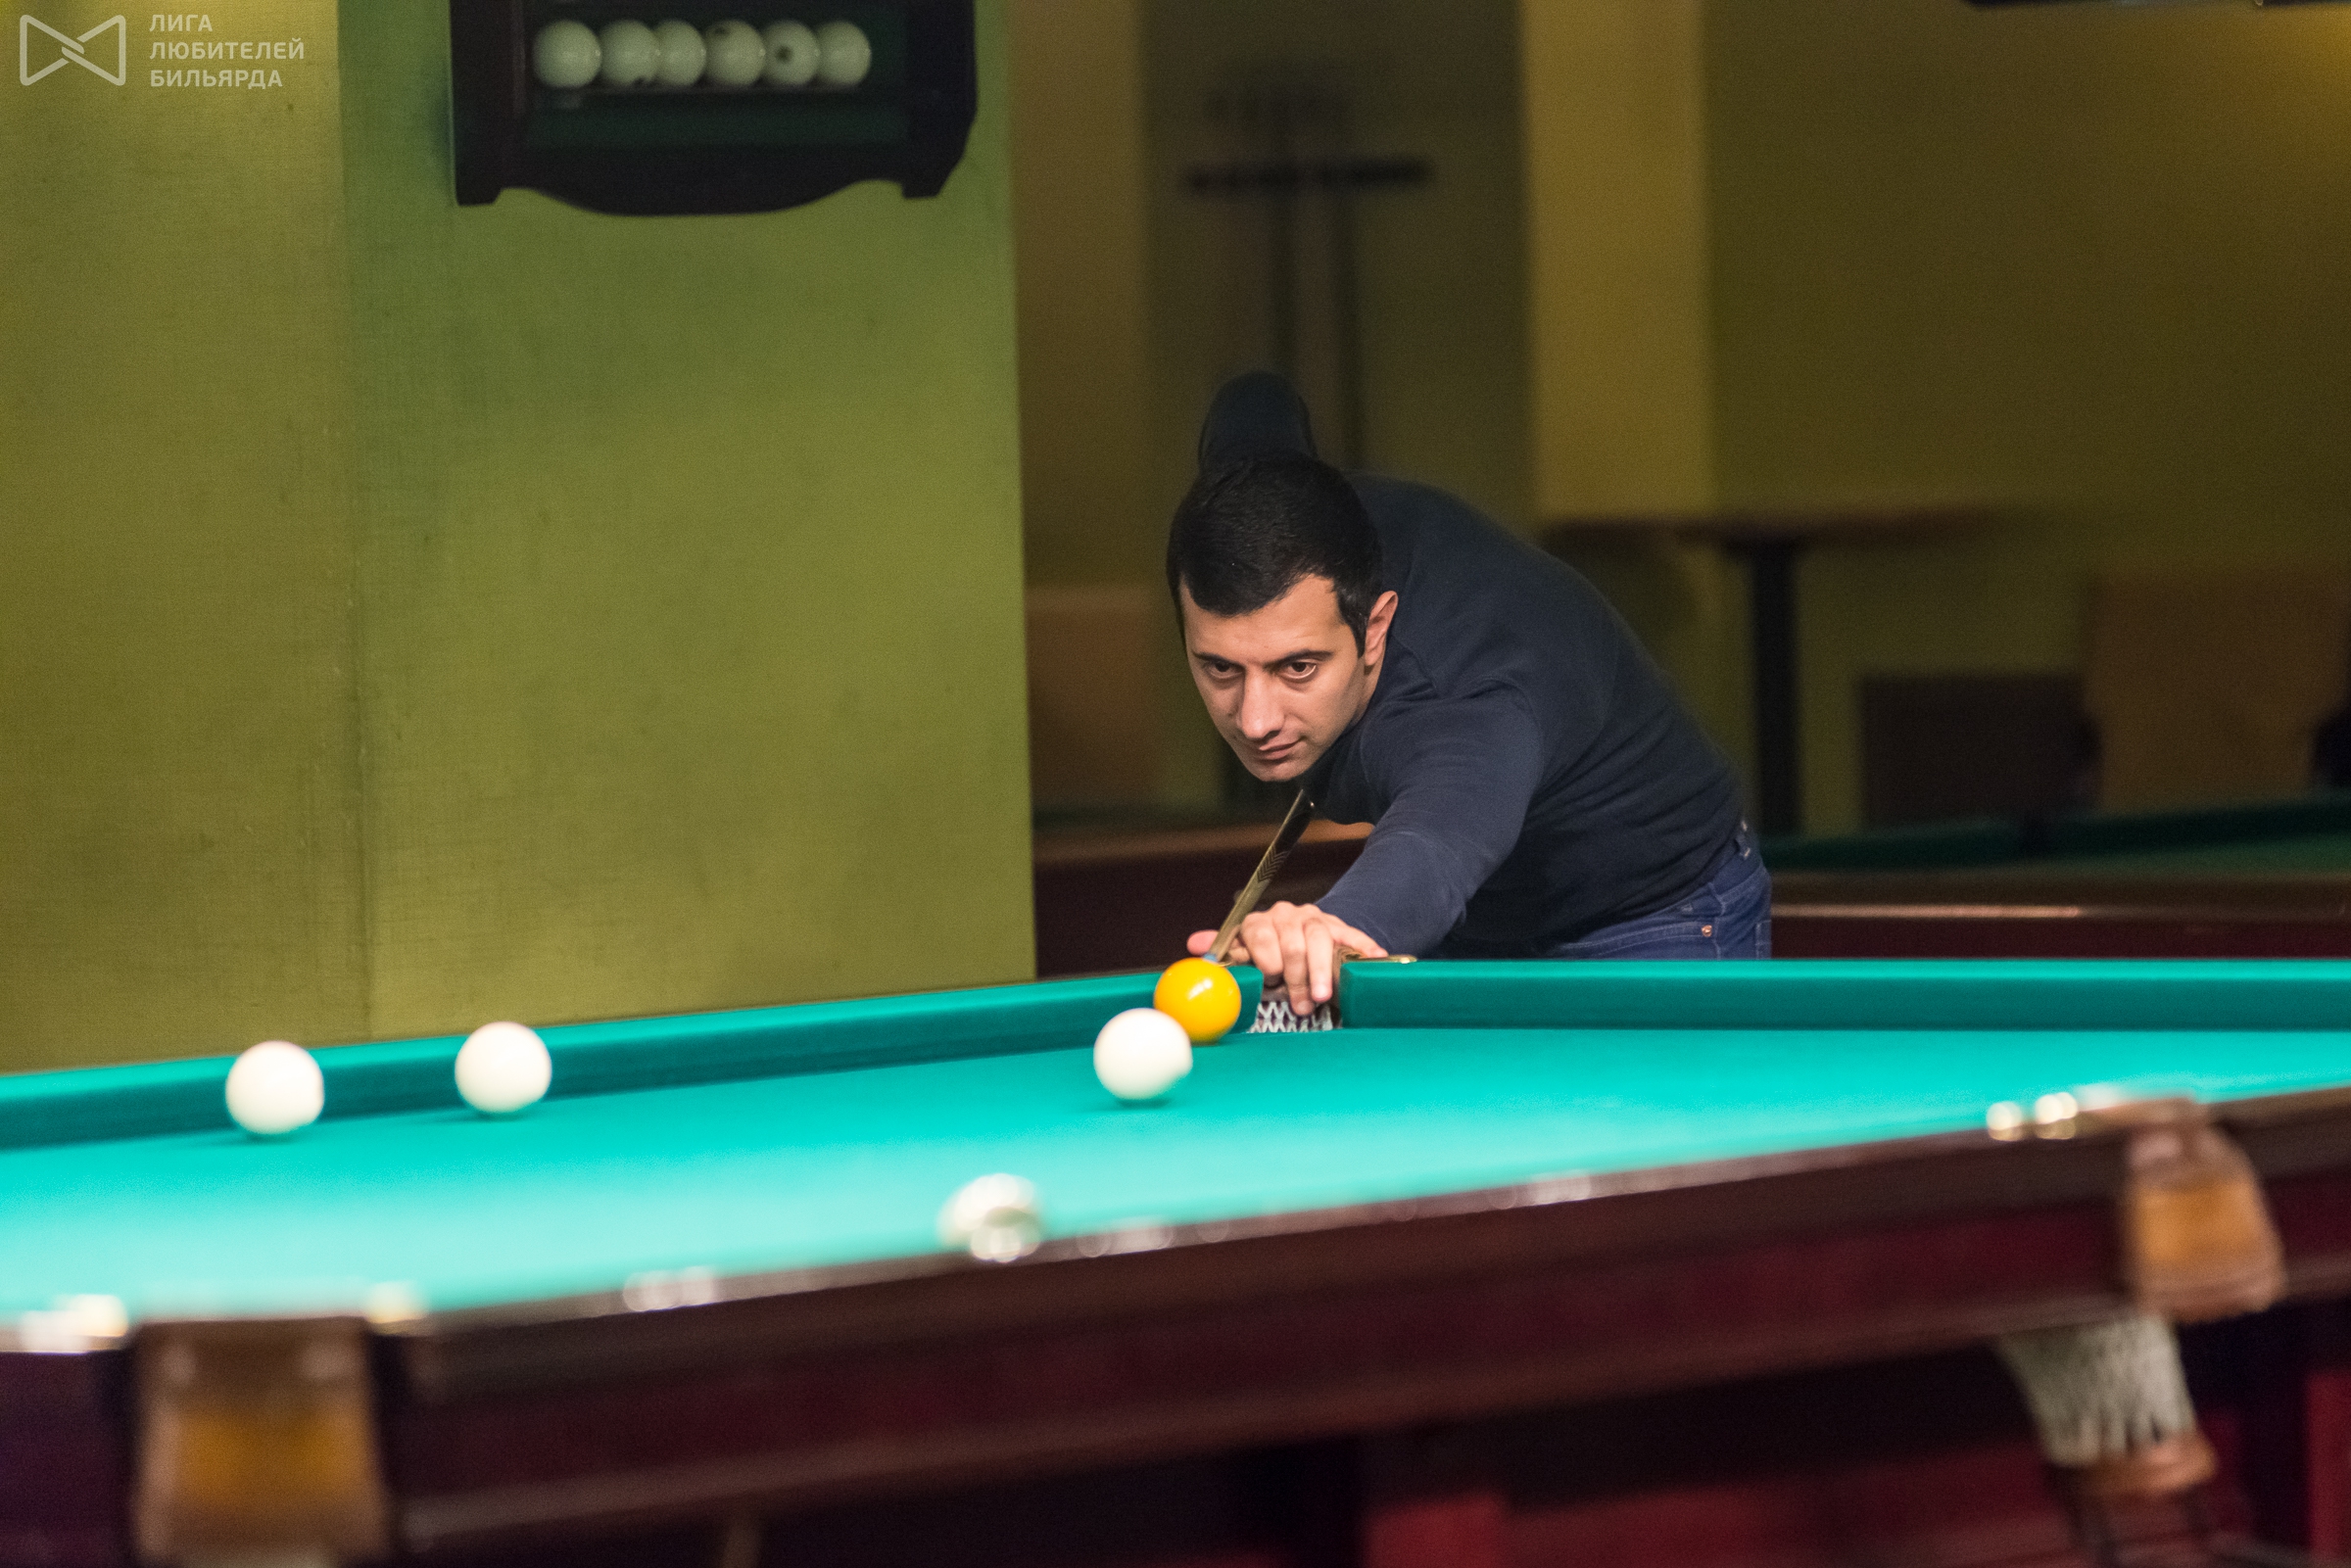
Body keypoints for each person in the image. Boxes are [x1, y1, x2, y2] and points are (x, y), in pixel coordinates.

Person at [1173, 372, 1767, 1017]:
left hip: (1646, 913)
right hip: (1479, 917)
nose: (1255, 720)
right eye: (1221, 668)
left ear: (1374, 627)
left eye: (1298, 668)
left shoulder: (1467, 703)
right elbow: (1257, 402)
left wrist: (1334, 926)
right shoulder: (1249, 511)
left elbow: (1435, 845)